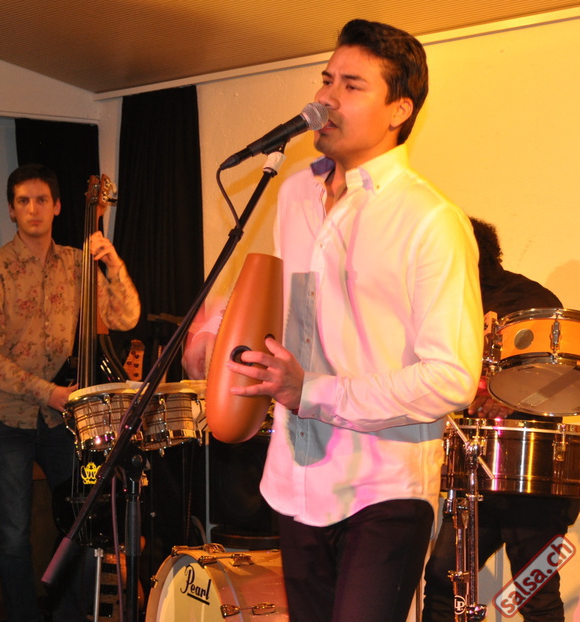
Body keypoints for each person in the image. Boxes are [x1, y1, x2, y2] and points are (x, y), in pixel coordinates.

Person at [183, 19, 483, 622]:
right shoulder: (295, 193)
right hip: (297, 477)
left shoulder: (430, 220)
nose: (325, 98)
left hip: (383, 487)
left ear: (399, 109)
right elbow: (288, 299)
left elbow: (451, 378)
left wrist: (313, 392)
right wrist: (216, 329)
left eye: (351, 85)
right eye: (326, 80)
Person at [0, 163, 140, 622]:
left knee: (78, 521)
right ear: (11, 210)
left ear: (57, 207)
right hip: (7, 418)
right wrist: (47, 392)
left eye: (41, 200)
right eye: (23, 201)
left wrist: (112, 262)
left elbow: (126, 317)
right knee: (13, 535)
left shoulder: (77, 263)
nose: (33, 209)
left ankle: (68, 615)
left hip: (61, 420)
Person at [422, 218, 580, 622]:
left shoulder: (529, 298)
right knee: (442, 580)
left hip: (535, 476)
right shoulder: (446, 301)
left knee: (535, 595)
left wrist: (511, 396)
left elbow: (566, 375)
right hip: (475, 469)